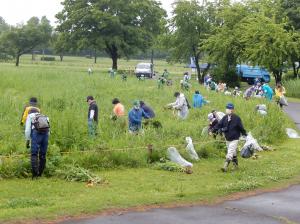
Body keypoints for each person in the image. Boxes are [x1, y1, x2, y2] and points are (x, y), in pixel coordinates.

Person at [212, 103, 247, 172]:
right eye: (227, 108)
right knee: (233, 152)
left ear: (233, 110)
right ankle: (236, 165)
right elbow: (219, 125)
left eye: (230, 109)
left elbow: (241, 128)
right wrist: (213, 130)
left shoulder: (237, 118)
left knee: (230, 152)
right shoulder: (225, 118)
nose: (228, 110)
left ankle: (225, 166)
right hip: (227, 138)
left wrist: (245, 134)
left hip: (235, 138)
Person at [25, 109, 50, 178]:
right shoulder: (45, 116)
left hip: (36, 134)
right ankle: (40, 174)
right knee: (43, 154)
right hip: (45, 135)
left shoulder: (30, 116)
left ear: (30, 112)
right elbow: (48, 129)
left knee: (34, 153)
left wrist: (27, 140)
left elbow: (27, 130)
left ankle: (35, 174)